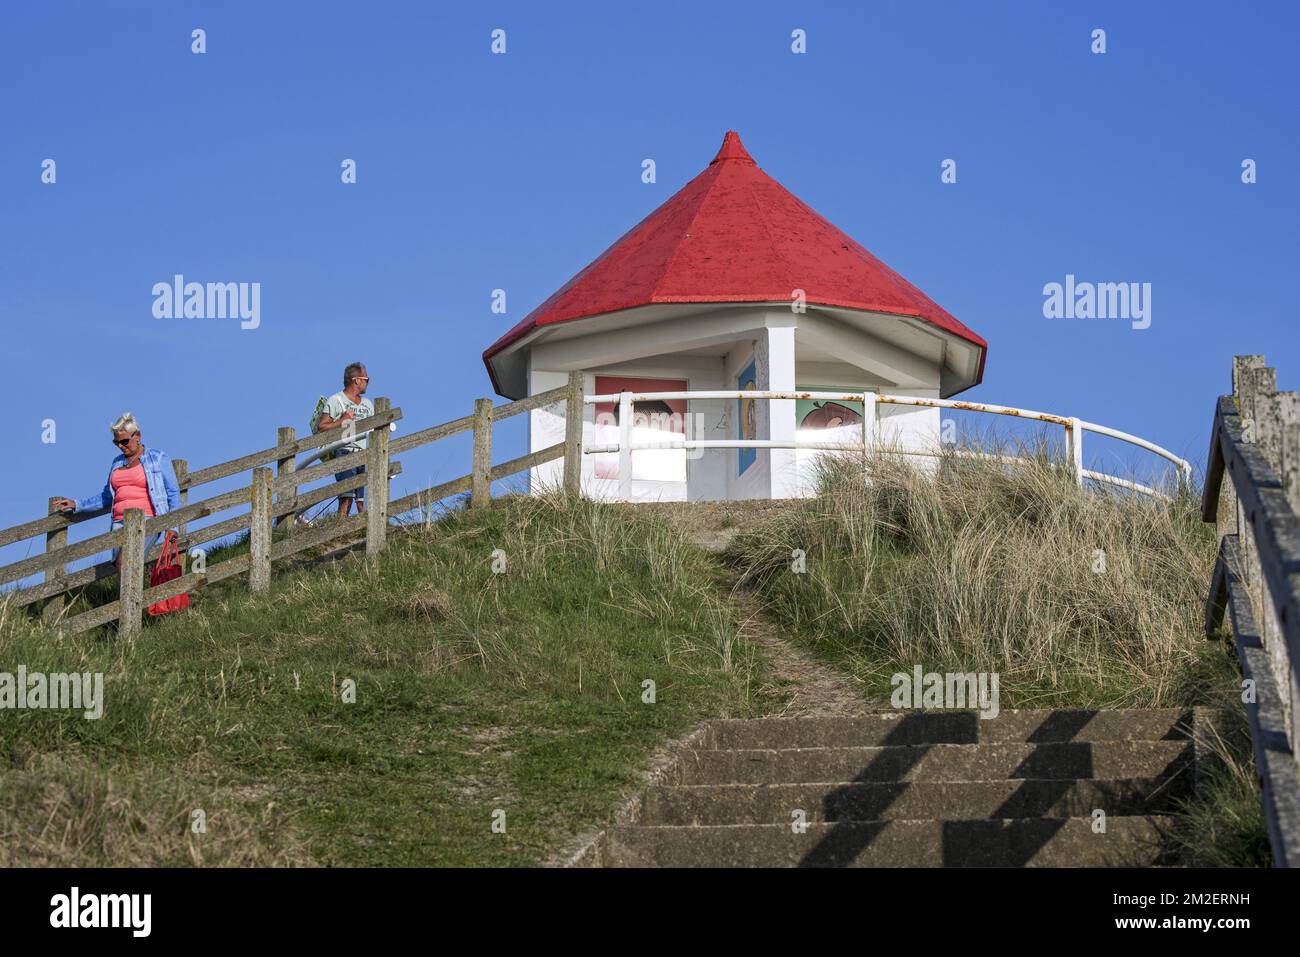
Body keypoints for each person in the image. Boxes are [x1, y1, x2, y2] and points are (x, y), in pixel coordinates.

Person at [52, 413, 182, 565]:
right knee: (121, 565)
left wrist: (172, 526)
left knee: (125, 561)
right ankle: (133, 590)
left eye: (125, 441)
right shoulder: (116, 463)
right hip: (119, 522)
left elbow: (173, 492)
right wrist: (77, 504)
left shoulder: (157, 458)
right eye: (117, 443)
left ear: (138, 436)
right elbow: (107, 496)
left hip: (148, 520)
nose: (121, 446)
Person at [316, 361, 375, 516]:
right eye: (366, 379)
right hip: (345, 452)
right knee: (347, 497)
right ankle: (340, 531)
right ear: (357, 380)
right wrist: (341, 421)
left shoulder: (368, 404)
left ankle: (365, 530)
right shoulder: (336, 400)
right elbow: (321, 427)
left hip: (365, 453)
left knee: (364, 500)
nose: (368, 382)